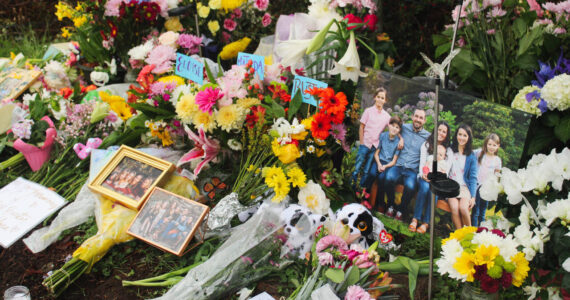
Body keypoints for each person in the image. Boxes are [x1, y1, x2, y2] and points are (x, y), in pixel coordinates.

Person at [384, 109, 430, 221]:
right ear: (412, 116)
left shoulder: (428, 136)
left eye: (421, 118)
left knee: (410, 186)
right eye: (416, 116)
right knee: (388, 178)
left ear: (424, 120)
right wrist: (400, 138)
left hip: (412, 170)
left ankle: (400, 210)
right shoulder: (404, 128)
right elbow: (395, 129)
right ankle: (391, 206)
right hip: (399, 165)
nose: (418, 120)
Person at [409, 121, 453, 233]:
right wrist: (423, 175)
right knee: (424, 188)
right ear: (435, 130)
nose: (441, 133)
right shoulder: (426, 145)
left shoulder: (449, 151)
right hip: (424, 176)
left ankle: (426, 223)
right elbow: (422, 164)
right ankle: (415, 219)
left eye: (444, 131)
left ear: (447, 135)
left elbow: (445, 172)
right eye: (439, 130)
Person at [352, 87, 391, 189]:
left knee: (367, 169)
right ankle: (352, 185)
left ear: (385, 100)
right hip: (365, 143)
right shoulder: (368, 111)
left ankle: (361, 189)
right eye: (378, 97)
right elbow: (361, 126)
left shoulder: (386, 116)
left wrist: (401, 138)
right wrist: (361, 142)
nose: (380, 100)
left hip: (374, 146)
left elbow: (393, 127)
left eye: (382, 98)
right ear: (374, 97)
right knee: (357, 166)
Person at [447, 124, 478, 229]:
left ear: (469, 138)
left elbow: (473, 178)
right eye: (460, 134)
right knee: (454, 208)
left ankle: (470, 235)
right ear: (456, 135)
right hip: (451, 186)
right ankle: (460, 235)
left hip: (464, 188)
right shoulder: (450, 150)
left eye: (465, 135)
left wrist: (473, 197)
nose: (461, 137)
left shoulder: (471, 156)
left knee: (464, 208)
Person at [368, 116, 402, 212]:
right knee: (371, 174)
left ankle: (381, 203)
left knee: (382, 178)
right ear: (389, 125)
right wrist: (379, 164)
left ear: (399, 130)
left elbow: (394, 161)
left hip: (388, 165)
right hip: (379, 161)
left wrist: (385, 166)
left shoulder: (399, 143)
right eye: (393, 126)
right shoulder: (383, 135)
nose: (394, 129)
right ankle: (366, 196)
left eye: (397, 127)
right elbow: (376, 153)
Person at [471, 133, 502, 227]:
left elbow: (496, 176)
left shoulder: (497, 160)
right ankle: (473, 229)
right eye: (489, 144)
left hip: (487, 189)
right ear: (486, 144)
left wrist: (494, 189)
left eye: (494, 145)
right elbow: (469, 152)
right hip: (477, 186)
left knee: (483, 211)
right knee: (475, 210)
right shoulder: (480, 153)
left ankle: (481, 229)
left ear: (498, 146)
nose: (491, 147)